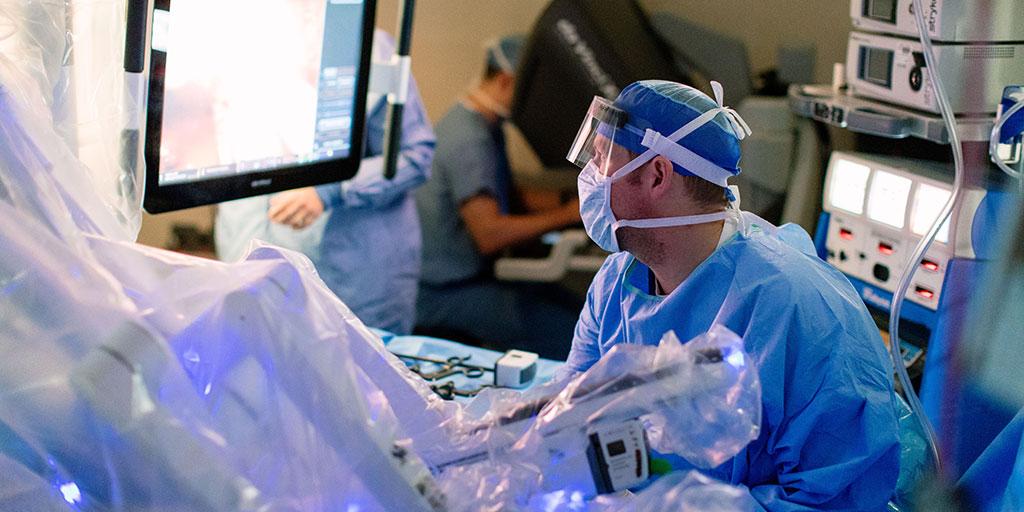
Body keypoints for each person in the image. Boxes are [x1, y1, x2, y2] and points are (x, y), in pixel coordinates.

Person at [562, 79, 901, 510]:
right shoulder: (616, 284)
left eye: (602, 157)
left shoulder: (800, 310)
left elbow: (837, 500)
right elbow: (573, 416)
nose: (590, 174)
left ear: (657, 174)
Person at [215, 30, 435, 334]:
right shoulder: (240, 39)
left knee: (364, 358)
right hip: (270, 272)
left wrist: (331, 189)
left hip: (358, 276)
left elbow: (415, 157)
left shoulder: (369, 47)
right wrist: (238, 270)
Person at [414, 35, 583, 360]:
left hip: (473, 278)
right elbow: (490, 234)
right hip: (447, 292)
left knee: (583, 310)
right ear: (506, 81)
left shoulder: (481, 125)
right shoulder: (469, 140)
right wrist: (569, 215)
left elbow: (507, 194)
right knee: (573, 333)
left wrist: (572, 198)